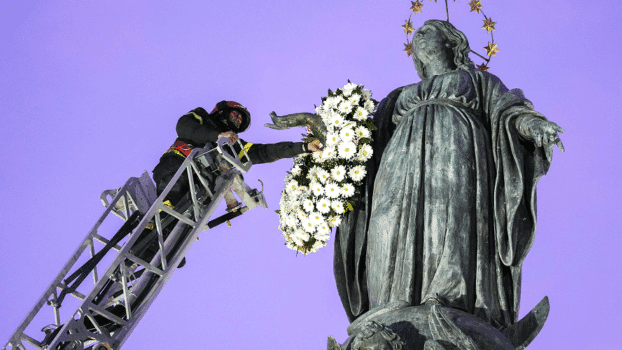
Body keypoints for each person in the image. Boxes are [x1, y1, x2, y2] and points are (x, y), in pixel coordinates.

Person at [333, 20, 564, 330]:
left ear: (451, 43)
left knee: (450, 219)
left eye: (429, 30)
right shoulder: (397, 96)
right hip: (398, 162)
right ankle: (389, 300)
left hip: (456, 149)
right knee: (386, 221)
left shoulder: (477, 80)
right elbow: (361, 144)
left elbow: (509, 111)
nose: (419, 35)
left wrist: (534, 127)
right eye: (417, 33)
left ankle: (447, 298)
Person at [153, 101, 322, 206]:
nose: (238, 120)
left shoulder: (232, 146)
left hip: (201, 185)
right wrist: (216, 136)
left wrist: (303, 148)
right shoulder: (201, 116)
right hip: (177, 164)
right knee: (172, 194)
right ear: (222, 111)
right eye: (236, 115)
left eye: (240, 122)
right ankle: (156, 220)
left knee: (189, 215)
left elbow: (263, 152)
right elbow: (184, 127)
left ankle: (164, 245)